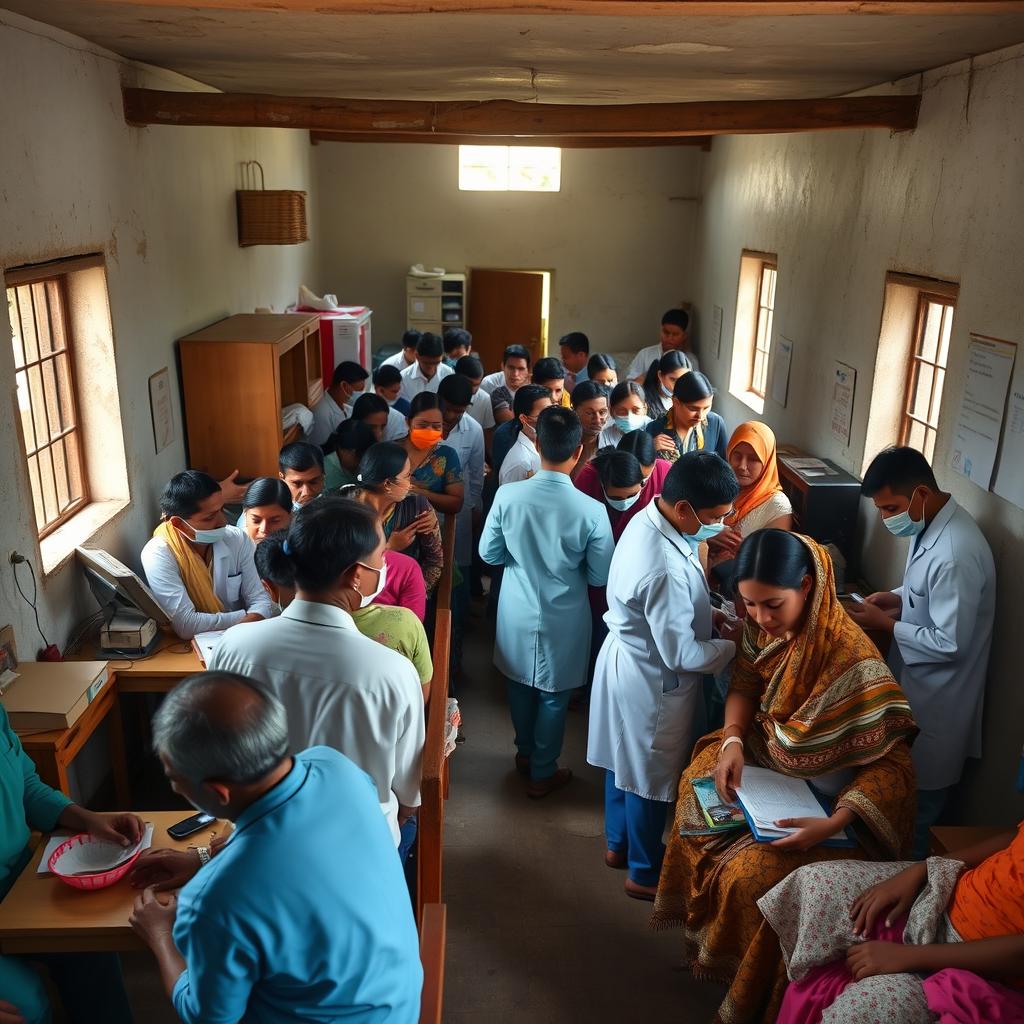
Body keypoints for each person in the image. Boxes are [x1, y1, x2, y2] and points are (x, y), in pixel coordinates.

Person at [652, 529, 918, 1024]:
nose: (760, 619)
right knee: (697, 787)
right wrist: (732, 740)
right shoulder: (760, 631)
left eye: (772, 605)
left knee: (751, 876)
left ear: (809, 586)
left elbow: (892, 766)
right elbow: (746, 683)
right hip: (768, 767)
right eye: (749, 606)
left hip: (834, 814)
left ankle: (753, 989)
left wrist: (831, 824)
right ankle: (708, 946)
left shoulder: (853, 661)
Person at [127, 672, 422, 1023]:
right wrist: (203, 859)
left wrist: (161, 936)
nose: (176, 789)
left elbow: (209, 1017)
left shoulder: (212, 901)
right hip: (399, 1003)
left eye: (176, 781)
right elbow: (299, 858)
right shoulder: (336, 766)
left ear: (218, 793)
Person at [210, 498, 425, 847]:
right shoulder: (392, 672)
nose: (383, 566)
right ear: (356, 576)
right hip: (356, 852)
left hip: (258, 844)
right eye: (380, 559)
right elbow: (408, 794)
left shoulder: (234, 646)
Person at [588, 452, 741, 900]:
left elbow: (671, 607)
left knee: (622, 762)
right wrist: (734, 646)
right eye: (713, 518)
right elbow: (681, 653)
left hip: (627, 659)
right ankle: (643, 870)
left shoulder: (649, 517)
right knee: (649, 777)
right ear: (684, 508)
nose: (719, 525)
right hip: (654, 678)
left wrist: (711, 613)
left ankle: (617, 846)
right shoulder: (665, 566)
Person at [849, 446, 996, 859]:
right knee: (903, 798)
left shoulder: (955, 552)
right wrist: (894, 598)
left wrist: (887, 625)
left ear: (921, 493)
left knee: (921, 813)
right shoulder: (930, 524)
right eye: (880, 508)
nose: (886, 517)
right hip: (917, 688)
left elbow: (950, 642)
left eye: (891, 507)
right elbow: (927, 595)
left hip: (940, 702)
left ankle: (909, 900)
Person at [480, 406, 615, 797]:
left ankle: (524, 754)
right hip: (565, 613)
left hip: (516, 606)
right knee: (554, 696)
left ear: (537, 445)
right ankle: (543, 770)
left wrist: (520, 562)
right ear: (578, 452)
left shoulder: (508, 496)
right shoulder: (592, 511)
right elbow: (600, 576)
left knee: (519, 684)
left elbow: (489, 554)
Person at [765, 823, 1024, 1023]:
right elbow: (1014, 838)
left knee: (861, 1013)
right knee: (814, 885)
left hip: (982, 969)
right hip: (945, 893)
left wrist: (911, 956)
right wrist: (922, 869)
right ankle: (768, 1004)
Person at [0, 704, 141, 1024]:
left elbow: (28, 785)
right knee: (25, 1004)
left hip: (16, 880)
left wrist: (89, 820)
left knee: (87, 943)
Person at [255, 534, 432, 699]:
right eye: (380, 556)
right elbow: (416, 706)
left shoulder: (242, 643)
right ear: (356, 573)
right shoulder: (397, 665)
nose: (384, 562)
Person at [142, 471, 272, 639]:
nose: (223, 521)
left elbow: (261, 601)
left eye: (221, 510)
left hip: (245, 638)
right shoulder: (158, 554)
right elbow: (185, 624)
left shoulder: (237, 539)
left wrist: (247, 621)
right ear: (178, 523)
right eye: (210, 517)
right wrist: (246, 617)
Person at [343, 443, 444, 595]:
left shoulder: (416, 506)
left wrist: (412, 596)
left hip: (403, 593)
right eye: (407, 476)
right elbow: (340, 565)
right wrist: (389, 549)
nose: (411, 483)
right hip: (354, 595)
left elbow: (435, 561)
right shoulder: (343, 508)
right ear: (388, 484)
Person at [707, 421, 793, 588]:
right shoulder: (715, 487)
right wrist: (708, 536)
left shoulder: (777, 506)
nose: (742, 466)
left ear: (767, 461)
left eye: (753, 459)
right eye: (737, 455)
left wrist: (742, 549)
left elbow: (773, 560)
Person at [399, 391, 464, 516]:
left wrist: (418, 492)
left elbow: (456, 503)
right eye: (422, 425)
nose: (429, 431)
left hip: (430, 529)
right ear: (408, 422)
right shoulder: (390, 451)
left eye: (436, 426)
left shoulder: (446, 455)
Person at [646, 370, 727, 462]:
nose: (700, 416)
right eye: (693, 409)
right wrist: (649, 449)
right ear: (676, 402)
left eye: (706, 408)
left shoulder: (715, 423)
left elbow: (724, 464)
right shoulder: (654, 429)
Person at [497, 384, 553, 486]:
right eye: (544, 413)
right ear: (524, 418)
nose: (551, 417)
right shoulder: (520, 463)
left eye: (551, 410)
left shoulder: (547, 443)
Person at [308, 360, 368, 446]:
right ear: (344, 385)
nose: (360, 394)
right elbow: (323, 450)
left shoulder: (346, 408)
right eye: (358, 390)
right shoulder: (321, 413)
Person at [628, 308, 695, 382]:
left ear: (684, 336)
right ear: (661, 330)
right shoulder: (645, 354)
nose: (669, 338)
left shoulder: (690, 360)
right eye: (666, 332)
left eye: (675, 334)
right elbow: (629, 383)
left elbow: (694, 389)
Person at [570, 379, 611, 479]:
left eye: (602, 412)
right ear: (574, 410)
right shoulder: (559, 442)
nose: (597, 420)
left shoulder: (611, 447)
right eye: (589, 413)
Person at [322, 417, 376, 492]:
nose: (359, 463)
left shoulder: (369, 465)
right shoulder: (324, 471)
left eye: (362, 457)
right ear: (342, 450)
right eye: (357, 456)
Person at [399, 331, 452, 402]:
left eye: (436, 362)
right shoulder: (404, 378)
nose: (432, 367)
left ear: (442, 357)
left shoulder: (449, 374)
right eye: (426, 363)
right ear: (417, 356)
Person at [454, 354, 496, 444]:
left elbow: (487, 433)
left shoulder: (485, 399)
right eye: (469, 384)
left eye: (477, 385)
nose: (473, 390)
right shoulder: (443, 392)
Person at [598, 380, 651, 448]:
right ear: (611, 412)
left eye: (635, 410)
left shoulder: (655, 432)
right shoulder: (605, 436)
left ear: (645, 409)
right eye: (622, 411)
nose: (629, 417)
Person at [239, 477, 292, 544]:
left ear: (291, 516)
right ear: (245, 515)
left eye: (274, 521)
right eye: (256, 521)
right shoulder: (236, 545)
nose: (264, 529)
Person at [641, 349, 691, 420]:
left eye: (684, 379)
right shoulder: (643, 404)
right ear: (660, 375)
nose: (679, 385)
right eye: (673, 379)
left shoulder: (691, 399)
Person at [489, 344, 532, 424]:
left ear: (528, 370)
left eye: (521, 369)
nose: (515, 374)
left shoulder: (536, 386)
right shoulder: (490, 383)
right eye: (511, 368)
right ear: (502, 366)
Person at [278, 441, 326, 509]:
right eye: (297, 483)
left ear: (323, 477)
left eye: (313, 482)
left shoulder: (338, 509)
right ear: (282, 478)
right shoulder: (272, 512)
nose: (306, 492)